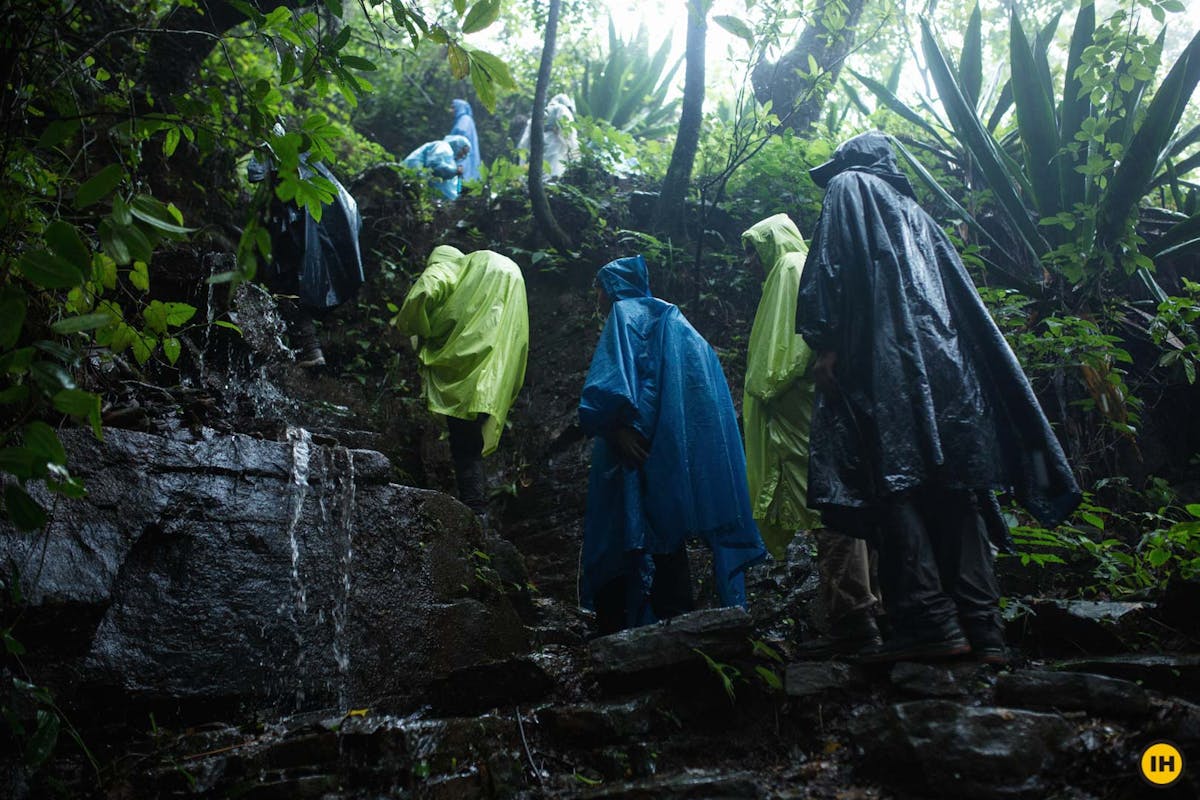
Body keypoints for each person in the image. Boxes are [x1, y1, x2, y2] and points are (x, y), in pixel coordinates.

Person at [795, 131, 1081, 664]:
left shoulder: (848, 186)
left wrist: (825, 341)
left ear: (853, 162)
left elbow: (831, 268)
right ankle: (982, 626)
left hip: (883, 368)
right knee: (955, 488)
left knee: (893, 482)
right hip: (950, 377)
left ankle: (928, 622)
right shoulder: (919, 215)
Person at [579, 254, 768, 635]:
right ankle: (678, 623)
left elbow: (607, 388)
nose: (596, 296)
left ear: (613, 287)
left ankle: (621, 629)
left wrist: (616, 429)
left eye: (599, 286)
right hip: (668, 455)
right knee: (665, 536)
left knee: (623, 531)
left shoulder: (625, 315)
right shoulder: (674, 319)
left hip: (628, 453)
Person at [741, 214, 882, 658]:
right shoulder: (809, 265)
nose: (747, 264)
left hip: (803, 408)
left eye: (750, 251)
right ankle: (871, 610)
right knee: (847, 502)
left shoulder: (788, 268)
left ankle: (851, 615)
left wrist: (765, 389)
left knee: (828, 506)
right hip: (822, 404)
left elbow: (789, 350)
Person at [394, 246, 529, 515]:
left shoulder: (449, 267)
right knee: (469, 437)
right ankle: (476, 509)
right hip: (499, 362)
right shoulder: (489, 271)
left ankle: (475, 512)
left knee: (463, 439)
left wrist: (412, 326)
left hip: (466, 364)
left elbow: (424, 292)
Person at [247, 131, 364, 368]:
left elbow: (255, 174)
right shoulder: (311, 165)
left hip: (293, 239)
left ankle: (307, 352)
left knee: (287, 291)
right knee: (291, 293)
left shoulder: (278, 157)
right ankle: (304, 351)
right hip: (302, 239)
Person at [517, 93, 579, 179]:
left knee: (541, 172)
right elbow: (570, 133)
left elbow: (526, 138)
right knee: (553, 173)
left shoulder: (540, 112)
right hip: (555, 146)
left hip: (539, 146)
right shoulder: (562, 109)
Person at [403, 135, 472, 200]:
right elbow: (435, 166)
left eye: (465, 154)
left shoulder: (451, 160)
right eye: (463, 151)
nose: (463, 155)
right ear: (457, 144)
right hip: (412, 183)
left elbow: (455, 187)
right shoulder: (443, 146)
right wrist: (455, 171)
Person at [448, 99, 482, 183]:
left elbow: (461, 138)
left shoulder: (465, 120)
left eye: (453, 107)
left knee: (461, 179)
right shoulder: (461, 120)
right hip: (462, 158)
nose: (451, 110)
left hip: (463, 159)